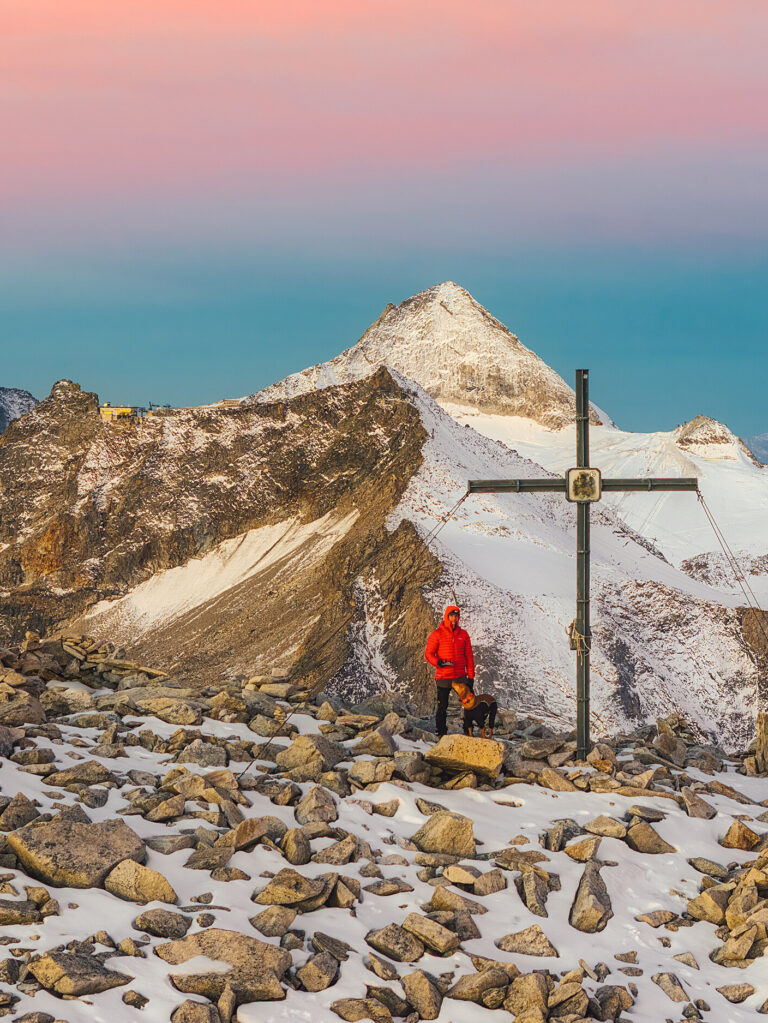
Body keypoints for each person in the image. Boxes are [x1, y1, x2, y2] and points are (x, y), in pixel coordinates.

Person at [424, 604, 474, 737]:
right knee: (442, 707)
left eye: (456, 616)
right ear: (447, 617)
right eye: (452, 616)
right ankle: (441, 732)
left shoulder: (463, 635)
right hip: (443, 676)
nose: (454, 618)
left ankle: (468, 730)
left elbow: (469, 656)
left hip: (460, 676)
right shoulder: (437, 634)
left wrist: (471, 676)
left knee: (468, 703)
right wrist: (438, 662)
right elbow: (428, 654)